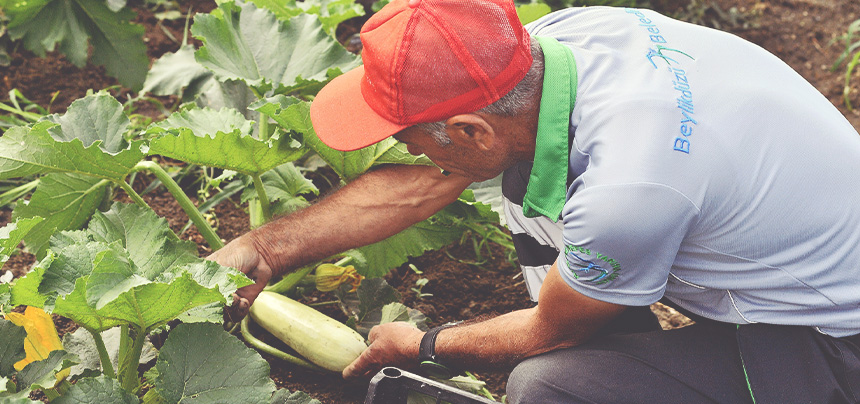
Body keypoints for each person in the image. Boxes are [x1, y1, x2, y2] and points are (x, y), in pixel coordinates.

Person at [209, 0, 860, 402]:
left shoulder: (627, 188)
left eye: (410, 140)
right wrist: (265, 245)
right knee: (527, 185)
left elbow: (553, 331)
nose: (414, 156)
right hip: (795, 248)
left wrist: (421, 344)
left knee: (553, 386)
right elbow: (433, 180)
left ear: (470, 131)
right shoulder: (560, 45)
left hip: (834, 343)